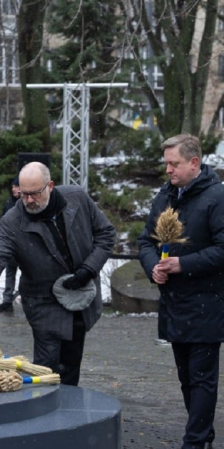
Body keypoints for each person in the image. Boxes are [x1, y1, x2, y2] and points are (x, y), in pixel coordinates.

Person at [0, 162, 115, 386]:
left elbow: (106, 234)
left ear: (50, 186)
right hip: (42, 301)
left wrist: (89, 269)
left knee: (71, 363)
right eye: (23, 195)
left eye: (35, 194)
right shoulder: (12, 221)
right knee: (46, 367)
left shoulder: (77, 199)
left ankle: (68, 411)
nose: (28, 201)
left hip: (81, 295)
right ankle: (45, 412)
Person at [137, 134, 224, 449]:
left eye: (174, 164)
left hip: (208, 305)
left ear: (194, 163)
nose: (168, 171)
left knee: (202, 379)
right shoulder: (165, 196)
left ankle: (196, 441)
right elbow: (146, 241)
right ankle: (203, 437)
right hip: (174, 304)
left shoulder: (217, 197)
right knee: (187, 378)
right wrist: (154, 267)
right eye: (166, 164)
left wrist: (182, 264)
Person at [0, 177, 21, 313]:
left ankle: (27, 298)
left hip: (25, 246)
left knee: (28, 274)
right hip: (11, 245)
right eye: (13, 187)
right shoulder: (10, 203)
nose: (13, 189)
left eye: (16, 186)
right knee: (10, 272)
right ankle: (7, 300)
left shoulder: (27, 202)